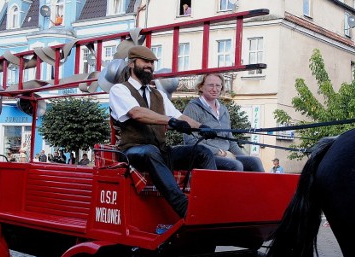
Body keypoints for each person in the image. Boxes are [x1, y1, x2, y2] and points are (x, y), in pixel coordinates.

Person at [108, 45, 216, 218]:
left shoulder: (158, 94)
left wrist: (201, 127)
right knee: (150, 152)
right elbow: (137, 113)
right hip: (132, 151)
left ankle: (211, 204)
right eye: (145, 61)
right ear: (131, 64)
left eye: (151, 62)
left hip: (160, 151)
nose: (149, 66)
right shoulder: (120, 90)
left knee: (203, 152)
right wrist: (169, 121)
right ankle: (184, 208)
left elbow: (178, 116)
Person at [183, 73, 264, 172]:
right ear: (201, 87)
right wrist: (219, 152)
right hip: (205, 156)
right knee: (235, 165)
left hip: (225, 155)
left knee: (254, 161)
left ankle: (262, 188)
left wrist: (244, 157)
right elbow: (190, 140)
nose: (215, 89)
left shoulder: (223, 109)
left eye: (218, 85)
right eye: (210, 85)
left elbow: (229, 139)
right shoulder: (193, 108)